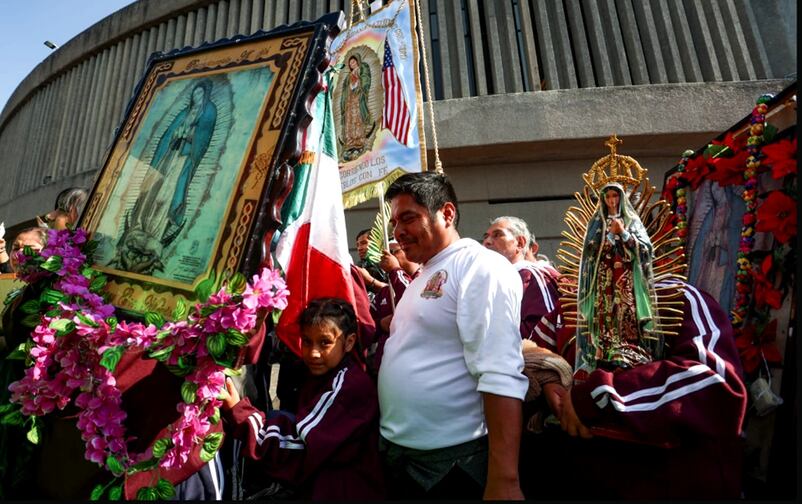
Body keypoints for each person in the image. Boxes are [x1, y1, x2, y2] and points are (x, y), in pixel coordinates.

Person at [522, 281, 748, 499]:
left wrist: (599, 395)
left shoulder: (681, 298)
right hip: (579, 479)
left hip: (665, 482)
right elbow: (530, 355)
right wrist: (551, 378)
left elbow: (717, 383)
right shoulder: (567, 308)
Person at [378, 172, 528, 499]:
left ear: (446, 214)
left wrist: (505, 480)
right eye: (394, 223)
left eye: (408, 218)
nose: (398, 231)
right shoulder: (424, 273)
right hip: (403, 457)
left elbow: (500, 374)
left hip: (452, 464)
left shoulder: (480, 266)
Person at [221, 297, 384, 500]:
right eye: (307, 341)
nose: (314, 353)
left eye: (325, 343)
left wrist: (240, 412)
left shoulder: (347, 386)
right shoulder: (323, 374)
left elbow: (298, 443)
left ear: (349, 342)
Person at [577, 182, 658, 375]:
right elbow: (590, 253)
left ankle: (628, 349)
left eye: (615, 196)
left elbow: (646, 250)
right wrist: (608, 239)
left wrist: (622, 233)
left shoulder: (632, 222)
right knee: (605, 311)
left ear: (621, 198)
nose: (612, 200)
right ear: (604, 200)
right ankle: (603, 349)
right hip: (604, 278)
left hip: (627, 277)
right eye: (608, 197)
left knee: (626, 309)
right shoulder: (597, 224)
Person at [482, 216, 560, 340]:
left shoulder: (532, 276)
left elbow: (547, 333)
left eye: (497, 235)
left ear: (520, 243)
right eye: (485, 237)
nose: (487, 242)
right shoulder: (490, 280)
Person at [367, 239, 419, 376]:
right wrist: (380, 324)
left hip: (414, 368)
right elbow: (366, 325)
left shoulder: (424, 280)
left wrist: (395, 270)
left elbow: (415, 299)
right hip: (384, 369)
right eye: (385, 253)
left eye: (394, 251)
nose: (387, 257)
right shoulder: (385, 291)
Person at [339, 54, 373, 161]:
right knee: (349, 121)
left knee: (357, 120)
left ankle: (359, 143)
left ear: (357, 62)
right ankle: (350, 144)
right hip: (349, 102)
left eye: (353, 62)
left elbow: (365, 81)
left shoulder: (360, 71)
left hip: (357, 100)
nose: (351, 64)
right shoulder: (348, 76)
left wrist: (358, 83)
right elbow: (345, 90)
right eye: (350, 62)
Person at [354, 228, 387, 297]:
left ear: (376, 243)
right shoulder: (358, 267)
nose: (359, 248)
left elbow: (396, 291)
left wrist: (369, 280)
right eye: (357, 245)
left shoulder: (390, 264)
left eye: (364, 243)